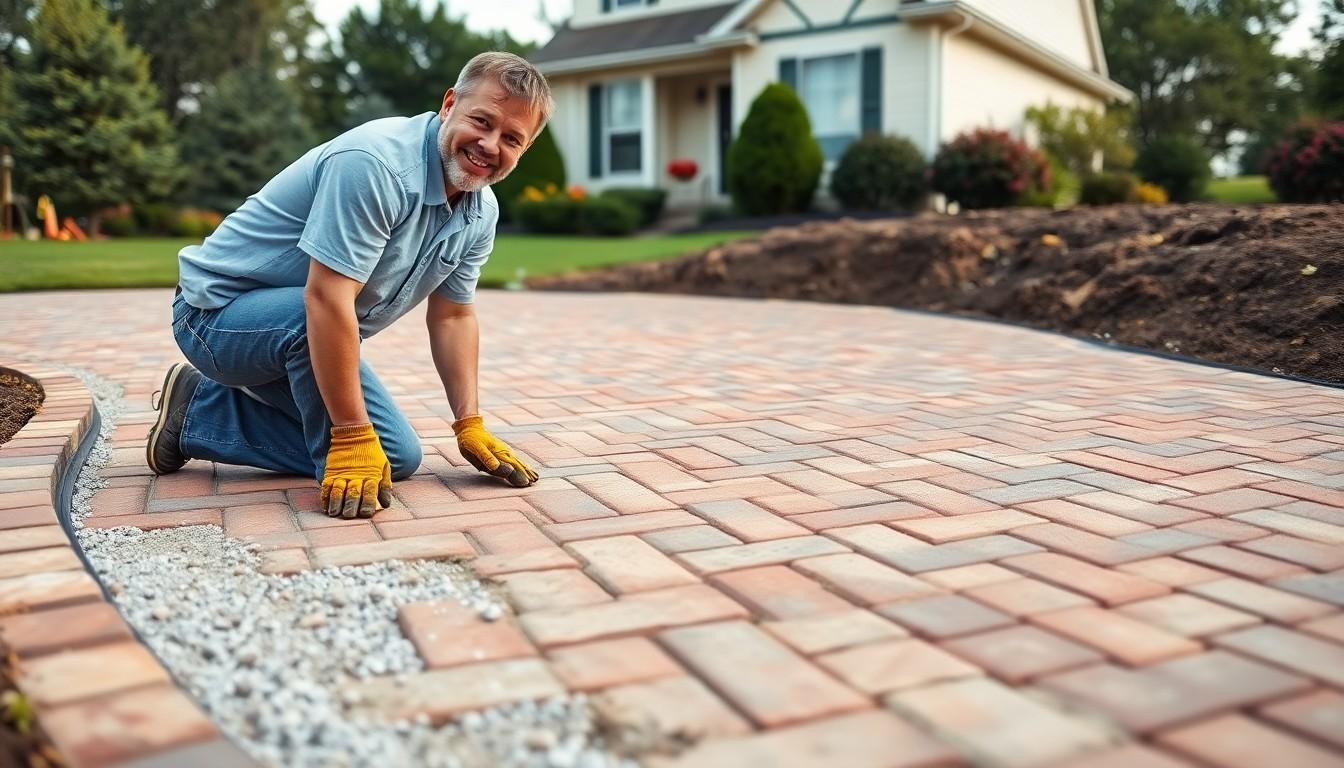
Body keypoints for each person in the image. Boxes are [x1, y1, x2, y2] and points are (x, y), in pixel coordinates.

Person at [147, 52, 549, 520]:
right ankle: (288, 419)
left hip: (303, 327)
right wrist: (351, 434)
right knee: (349, 427)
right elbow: (325, 299)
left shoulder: (481, 211)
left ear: (524, 150)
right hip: (216, 318)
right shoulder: (375, 164)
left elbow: (453, 314)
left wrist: (469, 422)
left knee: (398, 458)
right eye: (482, 120)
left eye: (511, 139)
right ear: (449, 104)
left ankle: (197, 412)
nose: (489, 144)